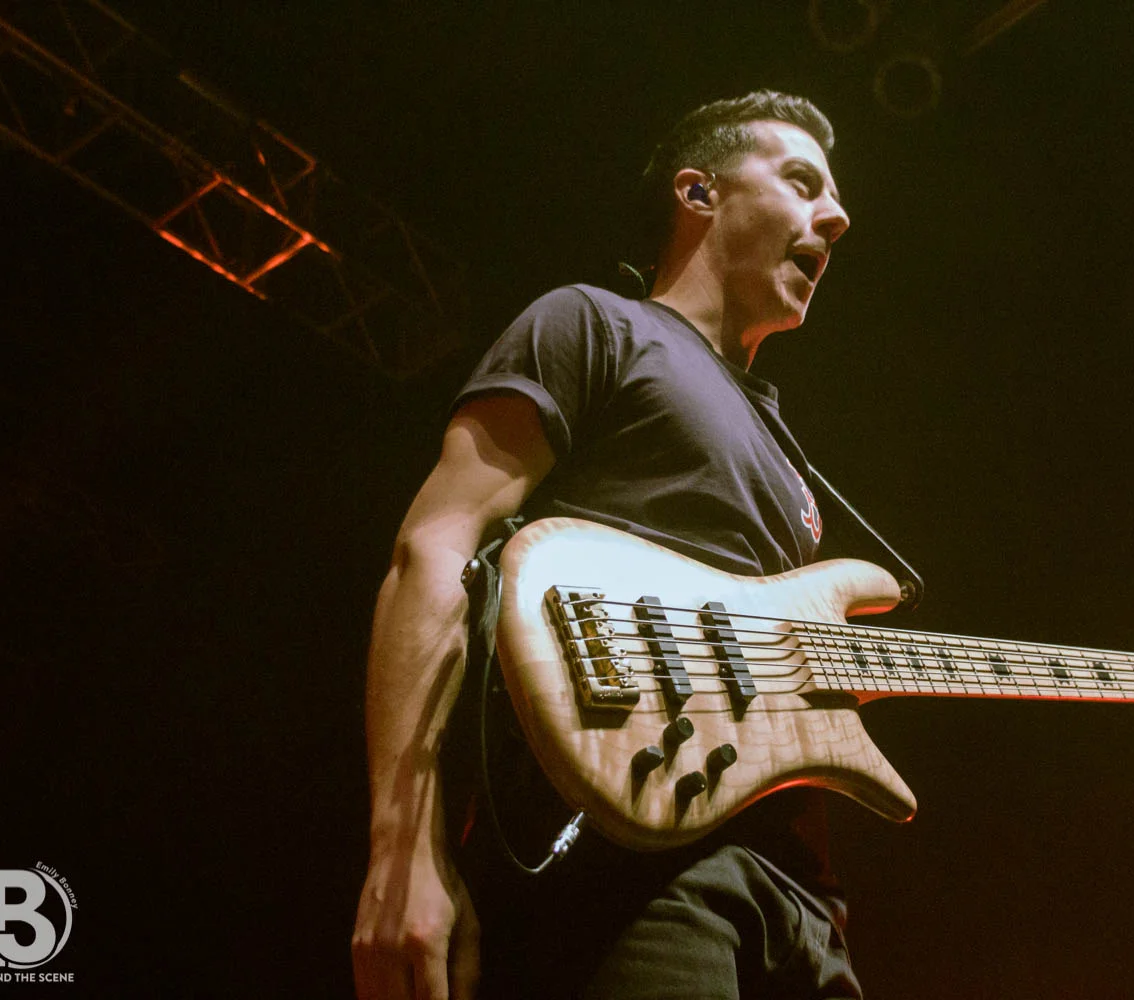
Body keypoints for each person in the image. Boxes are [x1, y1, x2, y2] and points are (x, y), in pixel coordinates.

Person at [352, 90, 856, 1000]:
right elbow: (434, 549)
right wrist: (403, 848)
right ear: (698, 194)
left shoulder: (790, 459)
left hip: (802, 907)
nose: (838, 216)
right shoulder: (595, 324)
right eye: (801, 181)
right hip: (621, 875)